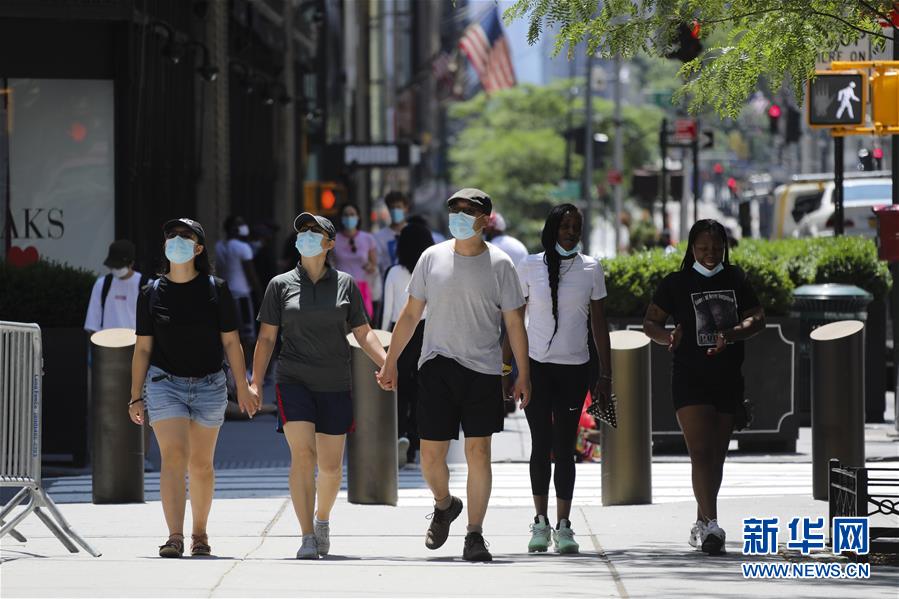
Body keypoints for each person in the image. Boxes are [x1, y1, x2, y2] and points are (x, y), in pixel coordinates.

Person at [376, 188, 531, 562]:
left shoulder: (501, 264)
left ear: (485, 219)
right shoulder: (431, 257)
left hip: (483, 370)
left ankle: (474, 534)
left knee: (479, 452)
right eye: (454, 209)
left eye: (468, 210)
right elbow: (410, 314)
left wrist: (523, 374)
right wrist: (390, 360)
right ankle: (445, 504)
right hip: (436, 365)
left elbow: (514, 322)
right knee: (430, 458)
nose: (459, 216)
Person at [252, 212, 388, 560]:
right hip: (293, 380)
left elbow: (363, 332)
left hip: (334, 381)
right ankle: (307, 535)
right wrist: (255, 382)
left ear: (329, 243)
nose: (307, 236)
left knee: (330, 467)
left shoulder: (346, 284)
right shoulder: (280, 285)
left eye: (315, 232)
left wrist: (387, 364)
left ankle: (322, 519)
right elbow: (266, 338)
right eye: (303, 231)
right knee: (303, 456)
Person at [129, 218, 259, 558]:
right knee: (173, 457)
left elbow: (231, 342)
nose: (177, 241)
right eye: (171, 236)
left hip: (209, 384)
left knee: (201, 464)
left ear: (198, 248)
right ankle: (174, 536)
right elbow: (142, 348)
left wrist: (243, 386)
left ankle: (199, 534)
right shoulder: (151, 292)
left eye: (185, 237)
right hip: (164, 383)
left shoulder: (216, 289)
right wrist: (135, 396)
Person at [642, 219, 765, 556]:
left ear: (725, 248)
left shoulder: (736, 278)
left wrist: (732, 333)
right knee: (699, 452)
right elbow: (650, 322)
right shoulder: (676, 282)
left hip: (727, 377)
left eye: (716, 247)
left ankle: (701, 522)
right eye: (703, 247)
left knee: (716, 457)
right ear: (692, 248)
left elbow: (757, 318)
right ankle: (712, 524)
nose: (710, 253)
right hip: (689, 376)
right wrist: (668, 336)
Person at [504, 203, 612, 555]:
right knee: (540, 444)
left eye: (576, 227)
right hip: (536, 369)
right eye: (565, 226)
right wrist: (507, 368)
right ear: (553, 229)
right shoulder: (529, 266)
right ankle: (540, 522)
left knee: (565, 448)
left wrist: (605, 374)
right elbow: (514, 321)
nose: (571, 233)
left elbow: (599, 324)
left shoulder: (591, 268)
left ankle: (564, 525)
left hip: (575, 370)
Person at [380, 222, 435, 467]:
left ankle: (399, 434)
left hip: (399, 332)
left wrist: (384, 343)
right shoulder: (433, 271)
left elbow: (387, 311)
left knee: (398, 386)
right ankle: (417, 440)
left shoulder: (393, 272)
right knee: (423, 389)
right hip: (428, 331)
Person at [215, 215, 262, 359]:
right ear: (234, 228)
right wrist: (260, 295)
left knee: (229, 333)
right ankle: (245, 368)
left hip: (223, 294)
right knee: (247, 335)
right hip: (241, 295)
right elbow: (251, 274)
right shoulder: (242, 247)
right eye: (240, 224)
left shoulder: (218, 246)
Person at [84, 240, 147, 333]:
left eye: (119, 266)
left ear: (132, 263)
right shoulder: (102, 284)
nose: (115, 269)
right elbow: (93, 324)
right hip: (106, 341)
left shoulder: (146, 286)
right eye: (113, 266)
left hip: (136, 341)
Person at [330, 203, 378, 318]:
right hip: (340, 288)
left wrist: (370, 267)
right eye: (346, 215)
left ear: (358, 217)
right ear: (341, 218)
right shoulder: (333, 240)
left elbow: (374, 266)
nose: (349, 218)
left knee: (363, 323)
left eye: (352, 214)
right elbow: (329, 264)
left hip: (362, 288)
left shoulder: (368, 238)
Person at [374, 190, 410, 279]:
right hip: (387, 282)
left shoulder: (414, 233)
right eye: (392, 208)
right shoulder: (378, 237)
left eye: (398, 207)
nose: (395, 211)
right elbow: (377, 265)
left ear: (406, 208)